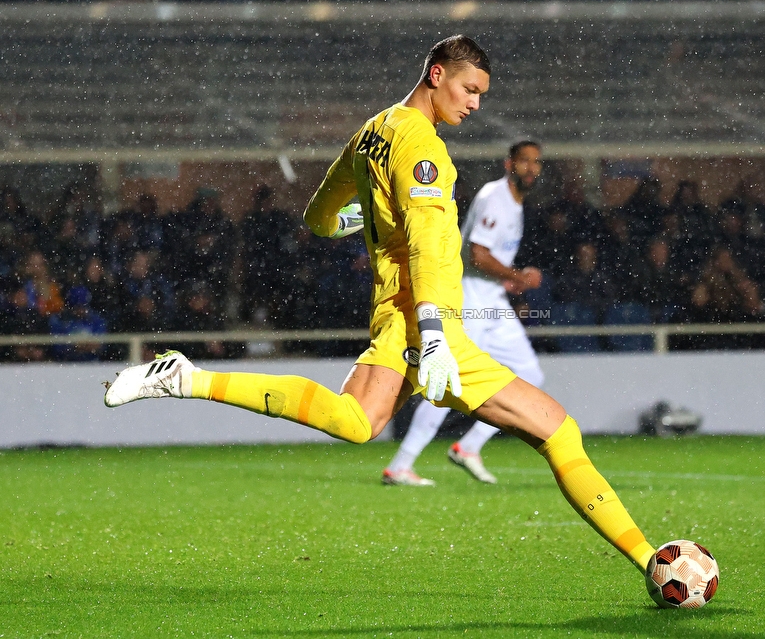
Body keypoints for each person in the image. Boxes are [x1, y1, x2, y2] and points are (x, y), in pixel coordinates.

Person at [103, 36, 655, 578]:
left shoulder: (372, 131)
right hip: (425, 322)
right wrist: (435, 335)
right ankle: (653, 562)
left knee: (357, 421)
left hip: (396, 317)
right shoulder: (424, 149)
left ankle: (187, 379)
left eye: (481, 94)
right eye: (469, 89)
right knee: (558, 433)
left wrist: (361, 218)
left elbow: (318, 217)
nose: (475, 104)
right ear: (436, 74)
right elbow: (428, 247)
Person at [382, 141, 545, 486]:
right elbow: (478, 254)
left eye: (536, 162)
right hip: (470, 299)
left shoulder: (513, 203)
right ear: (509, 164)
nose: (531, 168)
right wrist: (519, 276)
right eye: (525, 161)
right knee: (446, 377)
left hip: (492, 298)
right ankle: (401, 464)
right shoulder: (495, 198)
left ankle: (468, 446)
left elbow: (488, 260)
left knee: (530, 374)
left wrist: (507, 281)